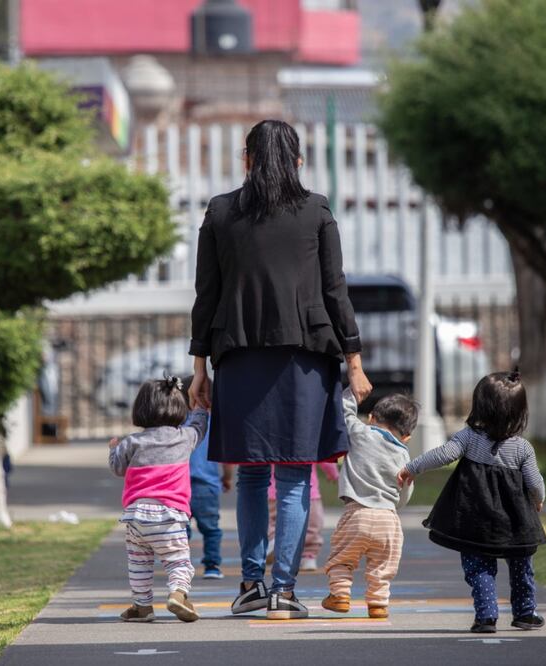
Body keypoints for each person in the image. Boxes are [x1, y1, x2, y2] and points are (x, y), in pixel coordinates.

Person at [188, 119, 371, 620]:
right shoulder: (315, 210)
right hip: (304, 359)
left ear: (246, 159)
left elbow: (207, 294)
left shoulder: (221, 212)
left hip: (239, 354)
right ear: (297, 161)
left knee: (251, 475)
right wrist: (354, 363)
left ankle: (251, 584)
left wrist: (199, 366)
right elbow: (336, 291)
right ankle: (284, 592)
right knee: (293, 476)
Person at [397, 369, 546, 634]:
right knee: (522, 564)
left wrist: (413, 467)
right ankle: (525, 612)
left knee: (479, 567)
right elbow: (535, 482)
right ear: (519, 411)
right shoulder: (523, 448)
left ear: (480, 407)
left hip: (474, 517)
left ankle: (486, 616)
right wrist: (538, 500)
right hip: (515, 520)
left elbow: (443, 454)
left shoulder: (468, 438)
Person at [108, 376, 208, 623]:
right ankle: (177, 594)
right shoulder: (185, 438)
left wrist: (113, 449)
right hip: (170, 515)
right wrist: (201, 408)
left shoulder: (133, 442)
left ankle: (142, 606)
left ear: (141, 408)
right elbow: (200, 426)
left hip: (136, 516)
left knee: (139, 563)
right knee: (178, 562)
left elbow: (117, 469)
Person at [321, 388, 417, 619]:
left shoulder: (360, 432)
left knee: (342, 559)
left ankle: (340, 596)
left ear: (372, 417)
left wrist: (353, 393)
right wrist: (396, 506)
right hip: (389, 520)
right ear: (407, 437)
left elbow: (344, 411)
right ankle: (377, 603)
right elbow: (406, 491)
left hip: (357, 513)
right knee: (382, 567)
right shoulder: (404, 454)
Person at [265, 462, 338, 572]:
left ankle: (272, 541)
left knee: (271, 520)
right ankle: (308, 555)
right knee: (312, 525)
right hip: (308, 490)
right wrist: (333, 473)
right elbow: (324, 453)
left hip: (272, 489)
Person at [188, 414, 233, 580]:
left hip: (179, 485)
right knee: (211, 530)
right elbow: (226, 456)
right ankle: (212, 566)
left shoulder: (175, 419)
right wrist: (227, 477)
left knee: (180, 529)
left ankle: (179, 565)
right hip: (207, 486)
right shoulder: (215, 422)